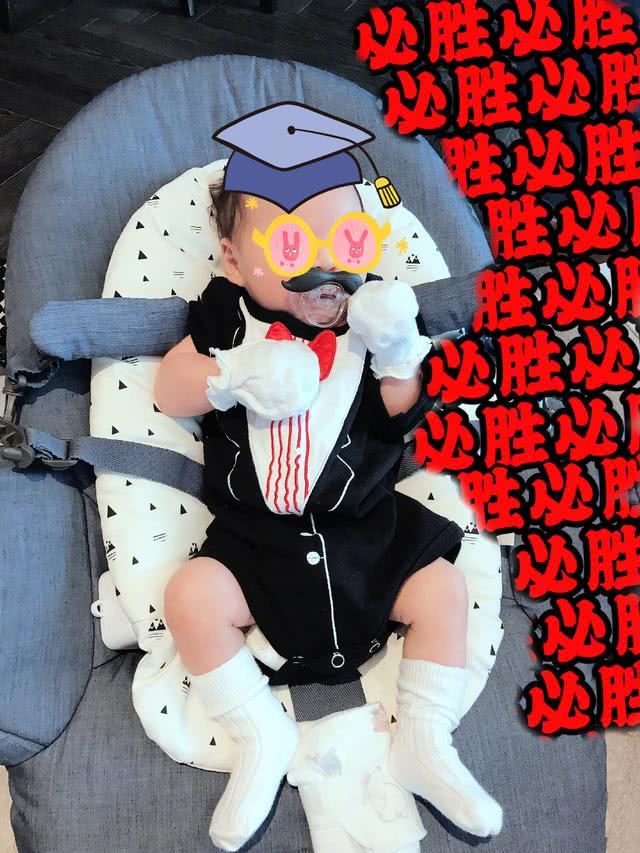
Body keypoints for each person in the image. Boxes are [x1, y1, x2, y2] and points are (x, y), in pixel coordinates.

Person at [154, 102, 503, 851]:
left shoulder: (376, 314)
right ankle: (260, 733)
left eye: (346, 239)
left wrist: (401, 355)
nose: (325, 268)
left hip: (367, 533)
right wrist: (231, 373)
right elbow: (169, 391)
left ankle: (425, 736)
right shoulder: (225, 316)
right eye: (291, 244)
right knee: (189, 596)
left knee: (443, 588)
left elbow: (400, 413)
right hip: (256, 544)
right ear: (234, 260)